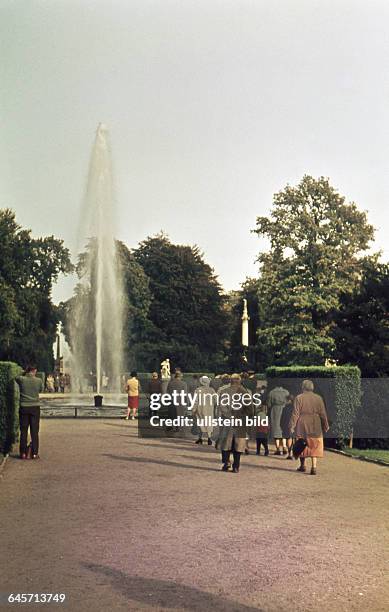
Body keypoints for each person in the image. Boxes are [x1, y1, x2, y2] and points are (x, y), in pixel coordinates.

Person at [289, 379, 329, 475]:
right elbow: (323, 413)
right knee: (314, 443)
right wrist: (325, 425)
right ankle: (314, 467)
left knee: (302, 442)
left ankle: (303, 465)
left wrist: (292, 425)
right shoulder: (318, 398)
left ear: (303, 387)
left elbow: (295, 413)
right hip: (315, 422)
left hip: (302, 421)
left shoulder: (299, 398)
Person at [219, 373, 252, 473]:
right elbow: (249, 409)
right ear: (240, 381)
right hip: (240, 421)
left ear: (230, 381)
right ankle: (236, 466)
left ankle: (226, 462)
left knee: (226, 442)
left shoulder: (224, 392)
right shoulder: (245, 392)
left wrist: (229, 416)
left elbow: (222, 407)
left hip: (228, 420)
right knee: (238, 444)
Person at [16, 366, 44, 460]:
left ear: (27, 371)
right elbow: (41, 390)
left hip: (24, 406)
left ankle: (23, 453)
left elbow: (16, 376)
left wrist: (25, 372)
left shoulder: (22, 379)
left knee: (23, 431)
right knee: (34, 431)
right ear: (34, 371)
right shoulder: (39, 380)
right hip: (35, 407)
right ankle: (34, 453)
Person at [192, 376, 217, 445]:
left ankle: (200, 438)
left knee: (200, 423)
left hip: (200, 408)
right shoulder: (212, 390)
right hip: (209, 409)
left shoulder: (198, 390)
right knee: (209, 423)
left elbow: (195, 401)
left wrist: (193, 409)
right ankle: (209, 438)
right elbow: (216, 400)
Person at [268, 385, 290, 455]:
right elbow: (288, 402)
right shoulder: (286, 392)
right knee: (282, 428)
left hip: (275, 410)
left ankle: (278, 448)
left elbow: (269, 404)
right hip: (284, 410)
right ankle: (284, 446)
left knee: (275, 429)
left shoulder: (272, 392)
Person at [280, 394, 295, 459]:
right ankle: (292, 453)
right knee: (292, 439)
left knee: (288, 439)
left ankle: (290, 454)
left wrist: (281, 425)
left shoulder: (285, 408)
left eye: (286, 400)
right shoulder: (295, 408)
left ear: (289, 400)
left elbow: (283, 418)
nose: (285, 401)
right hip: (294, 426)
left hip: (287, 425)